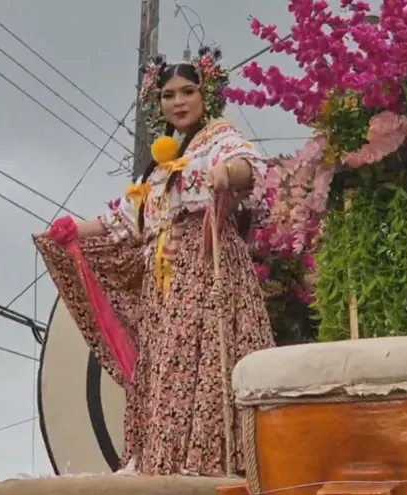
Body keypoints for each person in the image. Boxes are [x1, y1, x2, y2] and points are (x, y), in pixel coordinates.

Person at [33, 47, 275, 477]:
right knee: (165, 374)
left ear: (207, 95)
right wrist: (71, 230)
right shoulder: (157, 170)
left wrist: (228, 174)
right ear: (156, 102)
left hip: (207, 275)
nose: (178, 102)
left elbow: (250, 168)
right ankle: (162, 462)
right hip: (164, 291)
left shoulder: (218, 138)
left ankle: (211, 464)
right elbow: (125, 223)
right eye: (168, 95)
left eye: (187, 91)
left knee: (207, 373)